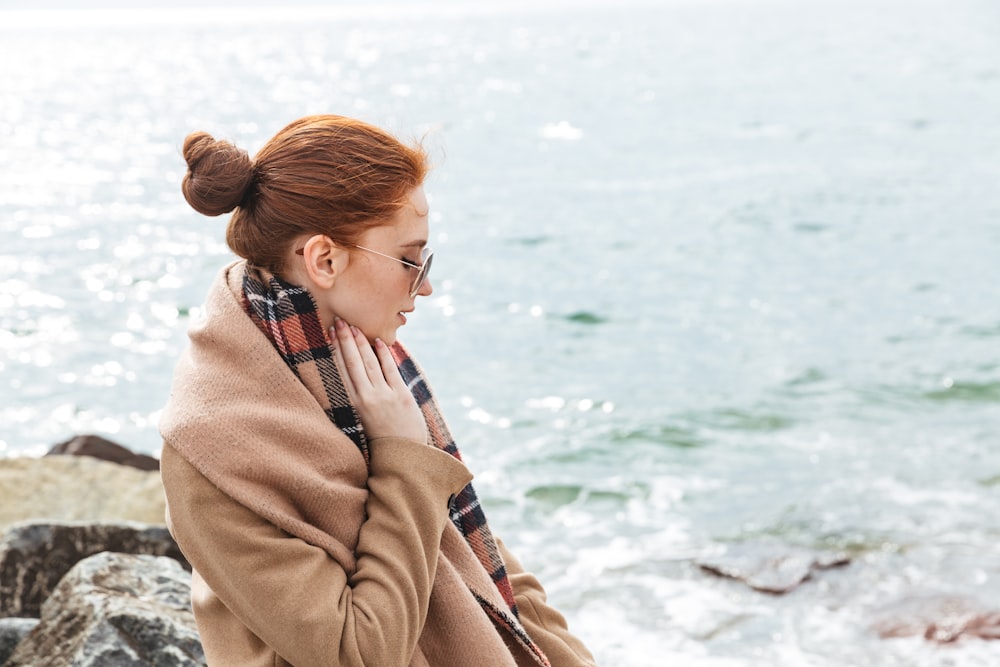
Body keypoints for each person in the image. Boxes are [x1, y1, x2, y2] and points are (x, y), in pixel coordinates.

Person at [159, 114, 598, 667]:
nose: (428, 284)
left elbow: (497, 576)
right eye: (411, 260)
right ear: (324, 260)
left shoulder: (360, 368)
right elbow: (358, 653)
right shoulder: (212, 443)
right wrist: (404, 462)